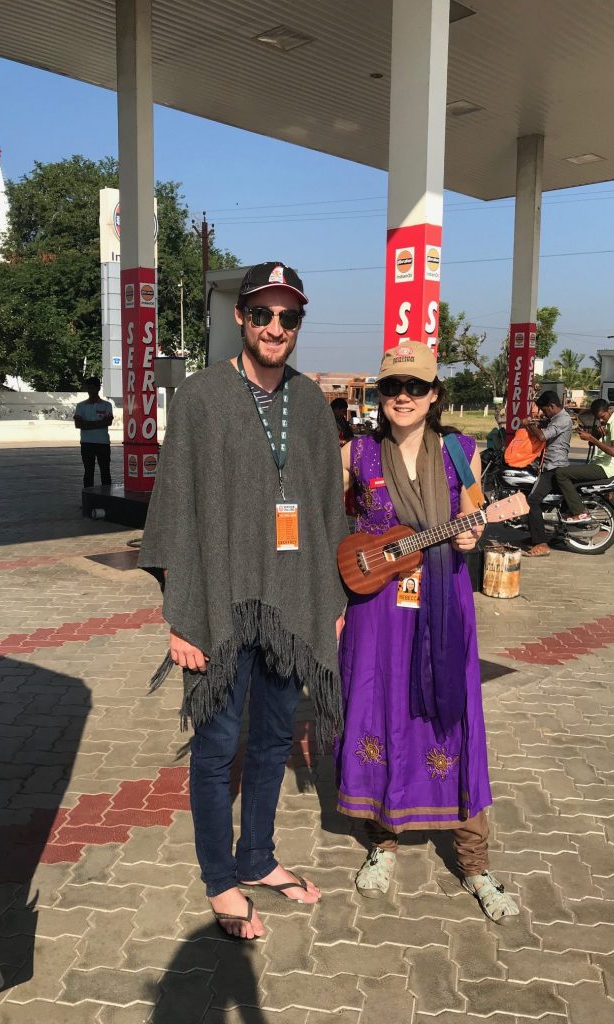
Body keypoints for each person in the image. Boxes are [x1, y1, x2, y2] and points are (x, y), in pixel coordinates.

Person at [138, 262, 348, 941]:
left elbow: (325, 509)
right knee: (219, 741)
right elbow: (173, 507)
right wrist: (180, 615)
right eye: (263, 314)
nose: (274, 327)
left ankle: (257, 857)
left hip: (290, 601)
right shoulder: (201, 397)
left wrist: (333, 597)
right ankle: (220, 878)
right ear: (240, 317)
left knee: (274, 739)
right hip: (222, 602)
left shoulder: (312, 403)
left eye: (288, 317)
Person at [336, 341, 519, 923]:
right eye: (393, 387)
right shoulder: (358, 452)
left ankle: (474, 862)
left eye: (416, 387)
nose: (404, 398)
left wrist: (472, 536)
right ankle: (382, 843)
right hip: (375, 607)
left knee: (454, 716)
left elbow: (476, 514)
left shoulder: (460, 451)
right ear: (380, 395)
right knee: (376, 709)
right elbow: (324, 512)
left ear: (435, 394)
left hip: (443, 604)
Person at [554, 398, 614, 522]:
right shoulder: (607, 423)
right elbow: (592, 445)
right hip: (598, 463)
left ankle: (580, 512)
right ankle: (566, 514)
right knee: (571, 483)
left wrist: (593, 439)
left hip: (605, 468)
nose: (601, 420)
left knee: (561, 473)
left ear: (609, 410)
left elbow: (613, 452)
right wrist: (596, 436)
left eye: (602, 417)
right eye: (598, 418)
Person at [521, 390, 574, 558]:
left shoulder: (563, 419)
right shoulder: (555, 418)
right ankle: (539, 534)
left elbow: (543, 436)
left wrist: (529, 424)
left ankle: (541, 544)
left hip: (555, 468)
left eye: (544, 410)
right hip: (548, 466)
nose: (544, 413)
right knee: (539, 502)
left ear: (552, 406)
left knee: (532, 501)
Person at [73, 376, 114, 487]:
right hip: (86, 443)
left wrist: (86, 424)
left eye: (92, 388)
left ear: (98, 388)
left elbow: (108, 422)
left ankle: (107, 500)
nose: (90, 391)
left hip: (103, 443)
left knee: (105, 472)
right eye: (88, 388)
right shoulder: (80, 406)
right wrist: (98, 423)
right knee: (88, 472)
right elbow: (78, 424)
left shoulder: (107, 405)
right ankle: (88, 501)